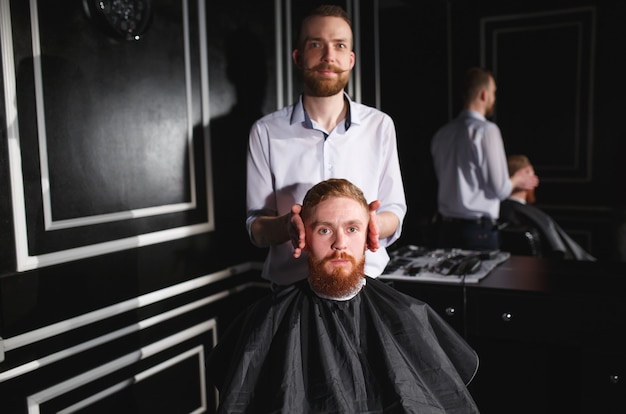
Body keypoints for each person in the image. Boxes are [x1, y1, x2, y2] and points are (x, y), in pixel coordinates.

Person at [208, 179, 480, 413]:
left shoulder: (409, 314)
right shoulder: (267, 320)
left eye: (352, 229)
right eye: (324, 230)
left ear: (367, 237)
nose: (340, 243)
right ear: (302, 238)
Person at [246, 4, 406, 286]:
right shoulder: (265, 131)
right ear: (298, 56)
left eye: (340, 45)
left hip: (366, 284)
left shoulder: (380, 126)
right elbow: (257, 229)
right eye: (316, 44)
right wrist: (286, 227)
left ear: (351, 59)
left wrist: (372, 225)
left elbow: (394, 209)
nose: (329, 56)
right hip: (291, 289)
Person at [430, 67, 539, 251]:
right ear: (483, 94)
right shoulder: (487, 131)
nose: (494, 98)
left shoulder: (442, 134)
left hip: (445, 231)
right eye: (494, 93)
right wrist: (517, 180)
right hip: (478, 233)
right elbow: (500, 189)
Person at [500, 154, 596, 261]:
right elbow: (558, 250)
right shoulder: (519, 212)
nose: (535, 178)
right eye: (531, 173)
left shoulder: (505, 210)